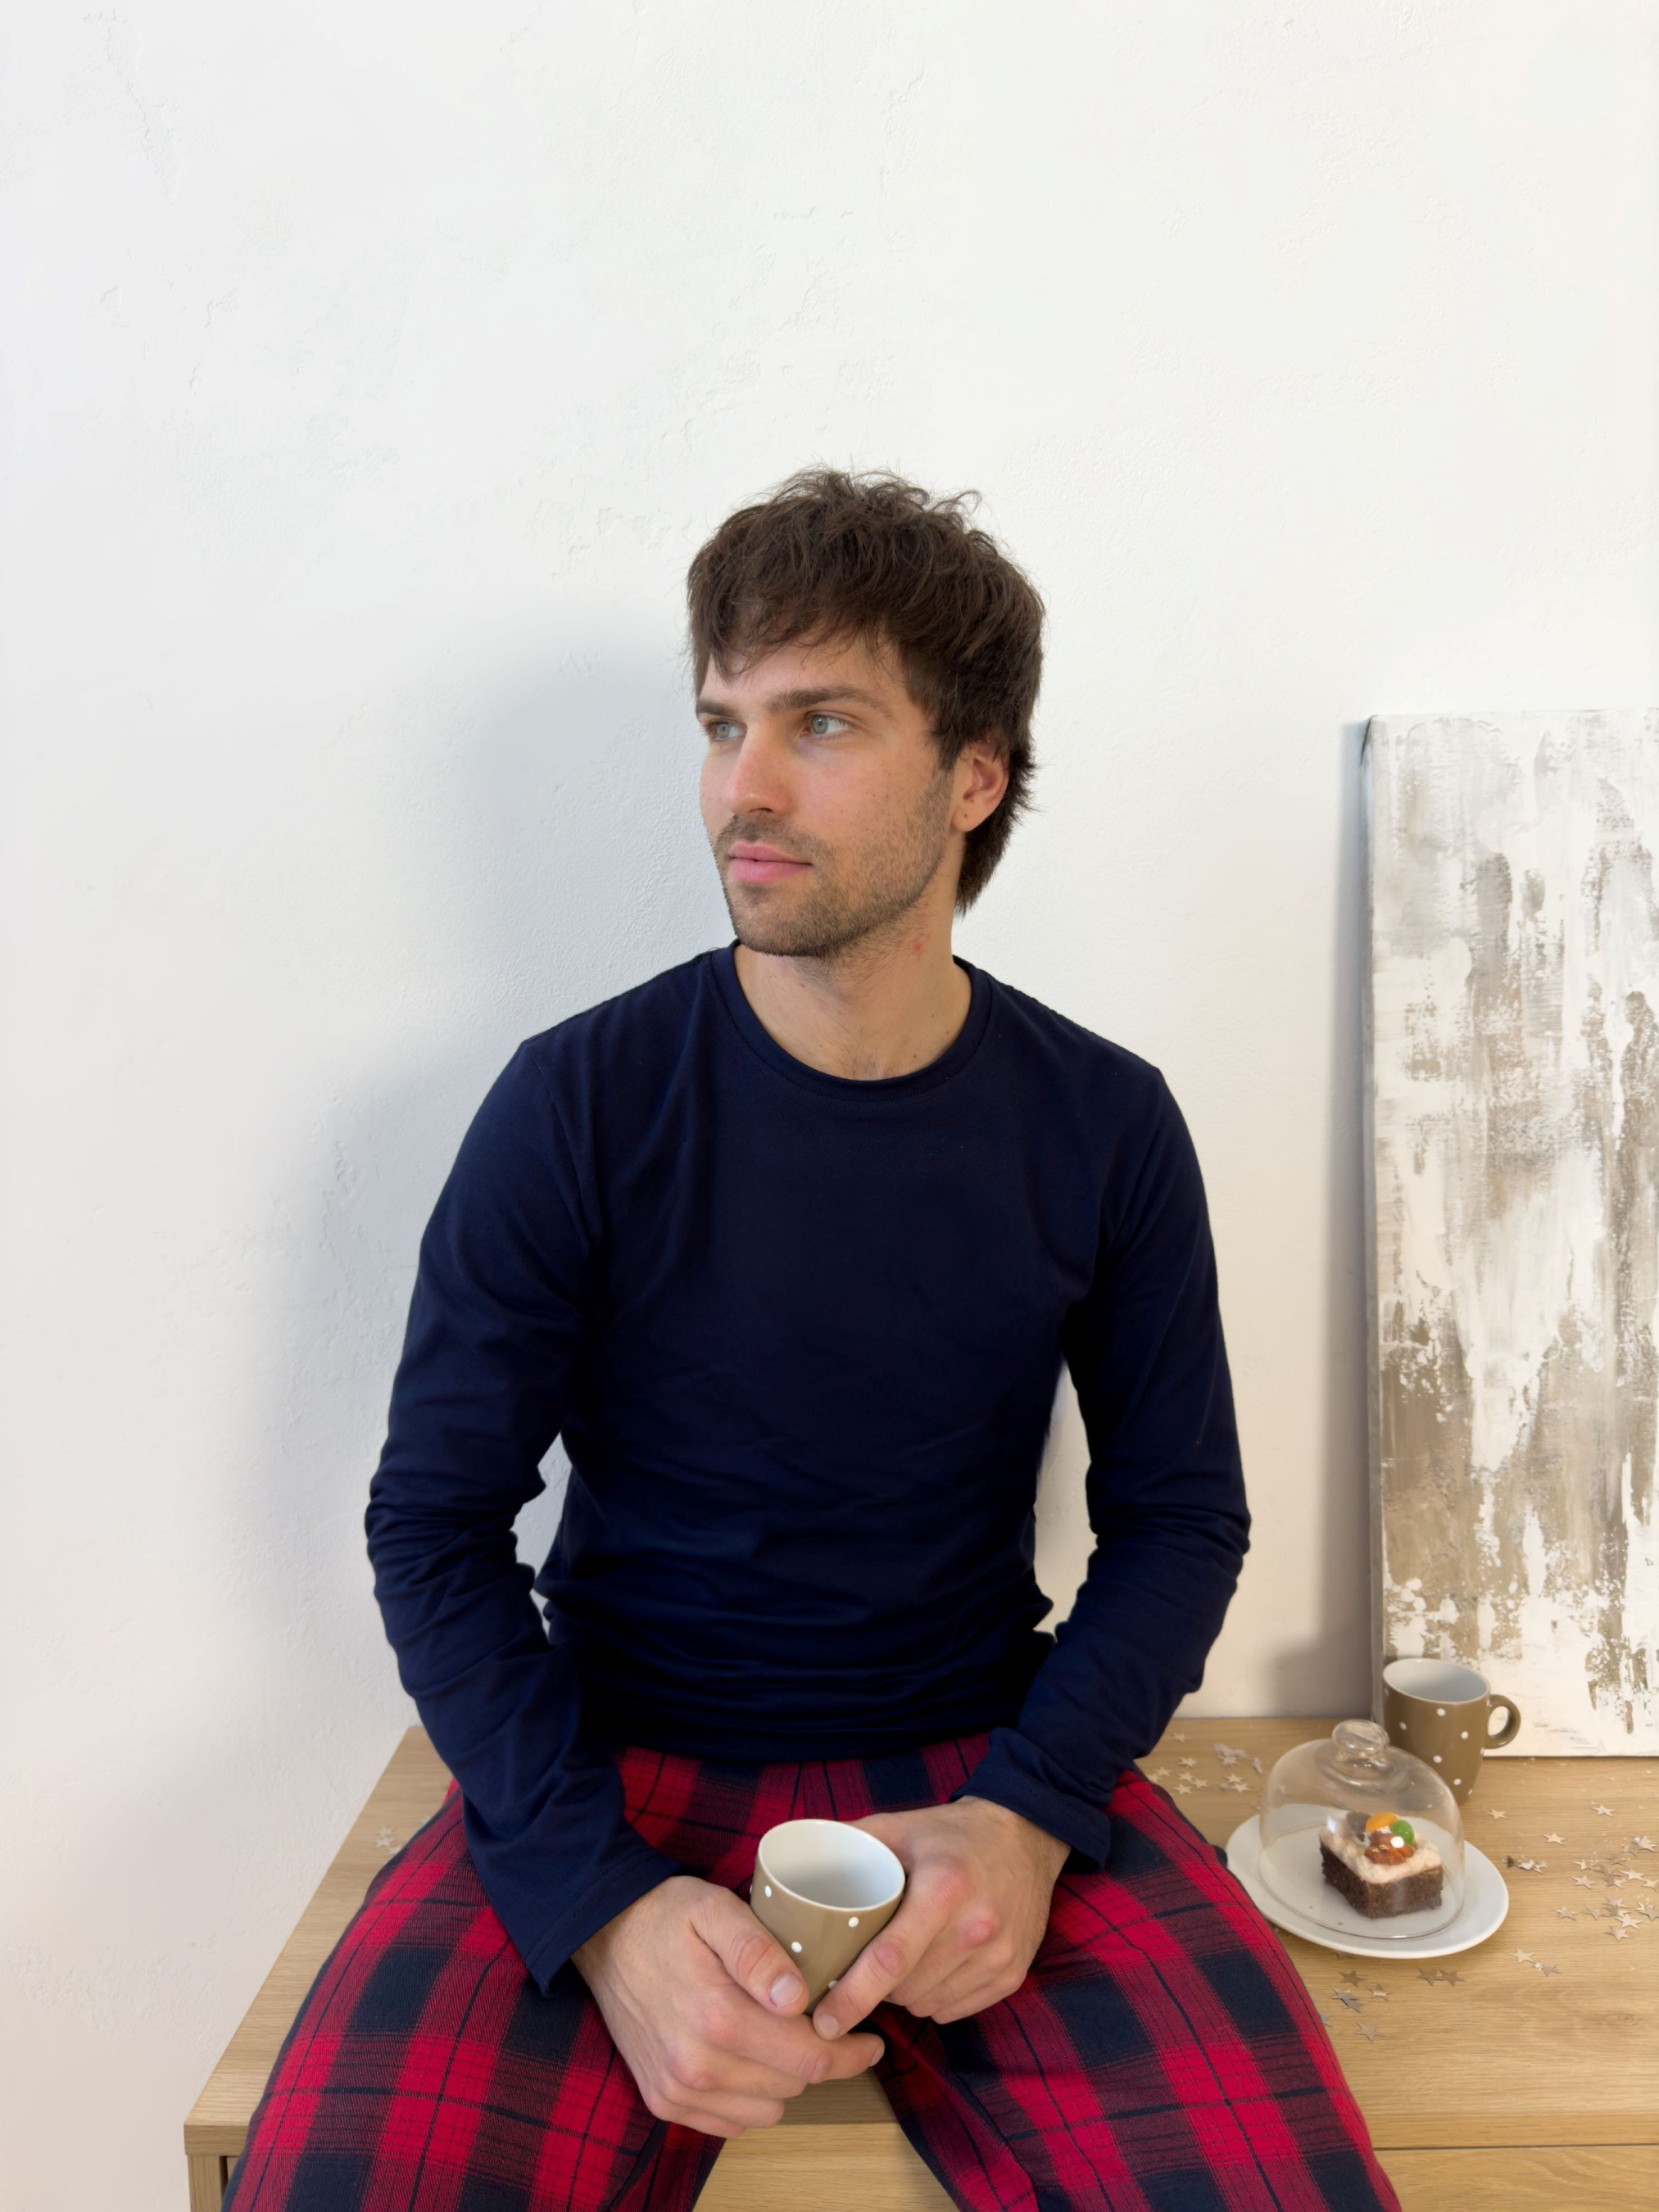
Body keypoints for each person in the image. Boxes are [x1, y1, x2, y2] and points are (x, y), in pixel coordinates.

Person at [224, 470, 1401, 2210]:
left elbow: (1178, 1519)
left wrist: (1029, 1814)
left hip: (978, 1768)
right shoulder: (575, 1102)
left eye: (820, 723)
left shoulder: (1102, 1122)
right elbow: (432, 1524)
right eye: (722, 723)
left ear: (974, 775)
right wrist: (599, 1905)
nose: (742, 788)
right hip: (610, 1764)